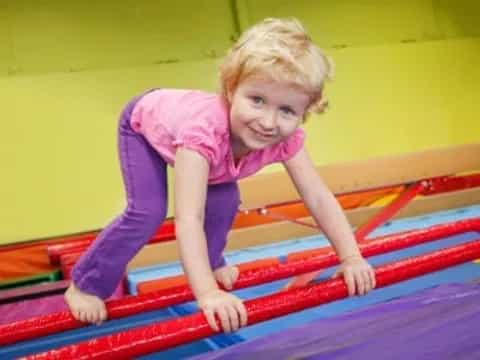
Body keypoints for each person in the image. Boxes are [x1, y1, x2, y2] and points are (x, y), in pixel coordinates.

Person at [65, 17, 376, 333]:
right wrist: (208, 294)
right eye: (257, 100)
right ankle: (86, 284)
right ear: (231, 90)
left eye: (287, 111)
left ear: (304, 114)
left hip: (208, 151)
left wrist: (351, 257)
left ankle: (213, 262)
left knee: (226, 201)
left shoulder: (287, 140)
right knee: (147, 211)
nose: (268, 122)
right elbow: (188, 219)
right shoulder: (203, 134)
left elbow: (318, 197)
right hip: (144, 125)